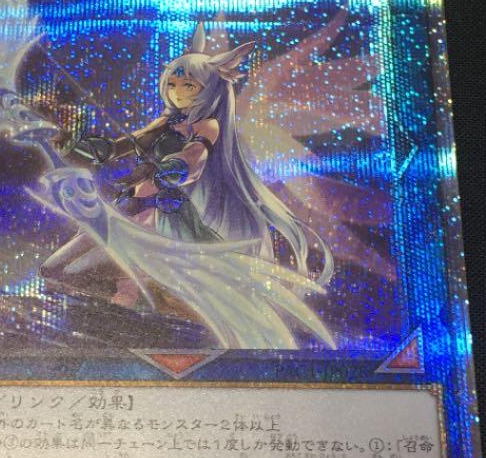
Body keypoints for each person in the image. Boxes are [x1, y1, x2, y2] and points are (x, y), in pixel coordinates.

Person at [40, 23, 332, 309]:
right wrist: (69, 139)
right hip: (129, 211)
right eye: (172, 84)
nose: (177, 92)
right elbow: (114, 149)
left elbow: (196, 154)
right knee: (52, 269)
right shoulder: (165, 123)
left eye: (188, 85)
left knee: (77, 272)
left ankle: (128, 303)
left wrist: (173, 168)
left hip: (165, 221)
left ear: (209, 89)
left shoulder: (209, 125)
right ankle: (122, 298)